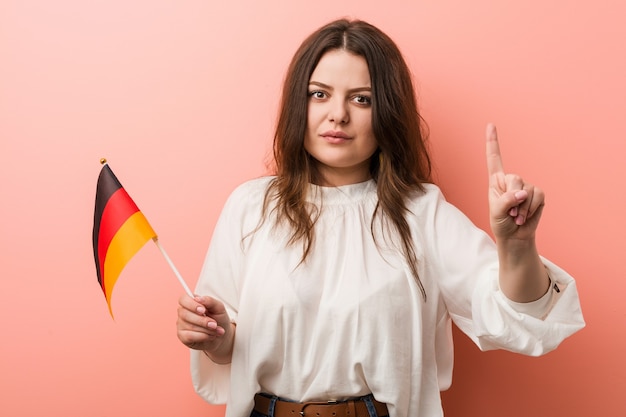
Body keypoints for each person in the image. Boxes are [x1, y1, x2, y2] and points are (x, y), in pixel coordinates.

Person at [176, 18, 585, 417]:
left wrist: (516, 246)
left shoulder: (421, 212)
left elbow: (514, 315)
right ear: (298, 103)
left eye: (362, 98)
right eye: (319, 94)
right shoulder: (251, 206)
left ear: (387, 110)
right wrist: (212, 334)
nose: (337, 114)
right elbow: (228, 345)